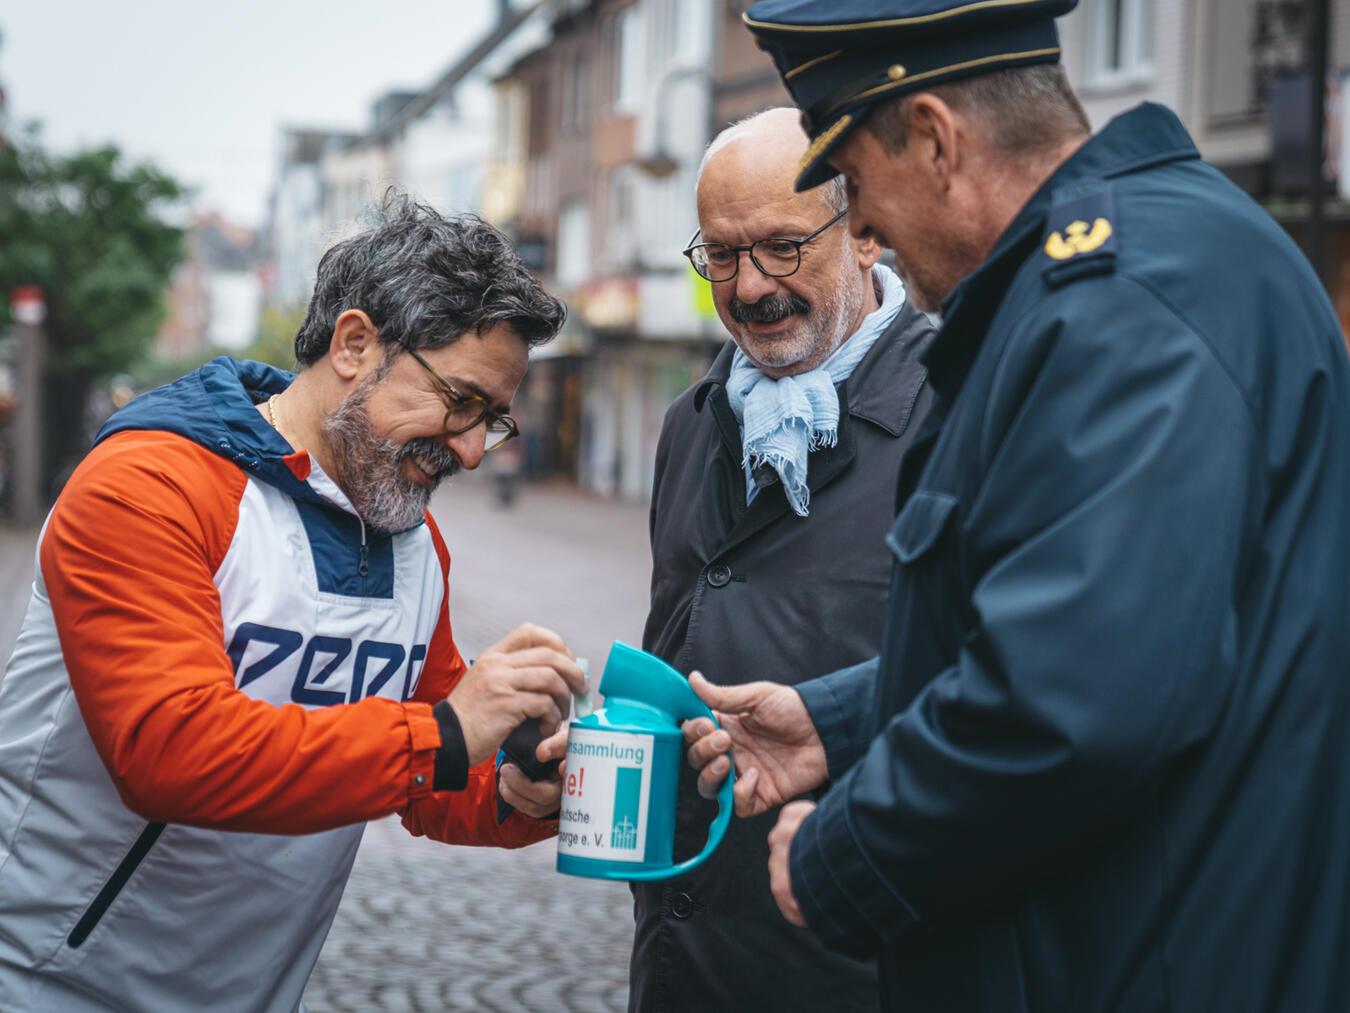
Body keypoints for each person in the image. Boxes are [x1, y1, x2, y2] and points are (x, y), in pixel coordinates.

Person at [684, 2, 1350, 1010]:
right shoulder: (1146, 264)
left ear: (935, 140)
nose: (861, 228)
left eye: (856, 182)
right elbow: (1109, 630)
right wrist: (841, 722)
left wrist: (845, 853)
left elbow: (1079, 702)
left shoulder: (1118, 306)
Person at [0, 196, 583, 1011]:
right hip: (45, 979)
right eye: (459, 400)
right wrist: (449, 732)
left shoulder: (413, 541)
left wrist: (523, 782)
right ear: (354, 344)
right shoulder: (150, 485)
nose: (469, 450)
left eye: (491, 420)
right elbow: (172, 751)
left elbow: (431, 778)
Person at [630, 107, 935, 1012]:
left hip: (862, 951)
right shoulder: (691, 422)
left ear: (866, 233)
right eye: (721, 254)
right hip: (685, 950)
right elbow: (675, 644)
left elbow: (1010, 682)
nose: (750, 284)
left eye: (780, 246)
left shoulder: (960, 407)